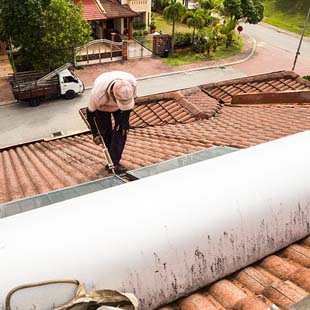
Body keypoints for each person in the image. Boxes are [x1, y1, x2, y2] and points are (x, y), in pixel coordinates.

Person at [86, 71, 137, 174]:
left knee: (122, 131)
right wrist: (95, 133)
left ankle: (114, 162)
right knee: (105, 132)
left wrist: (125, 121)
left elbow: (129, 107)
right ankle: (110, 159)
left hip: (121, 109)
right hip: (102, 108)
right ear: (113, 94)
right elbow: (90, 114)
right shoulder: (98, 94)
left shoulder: (132, 83)